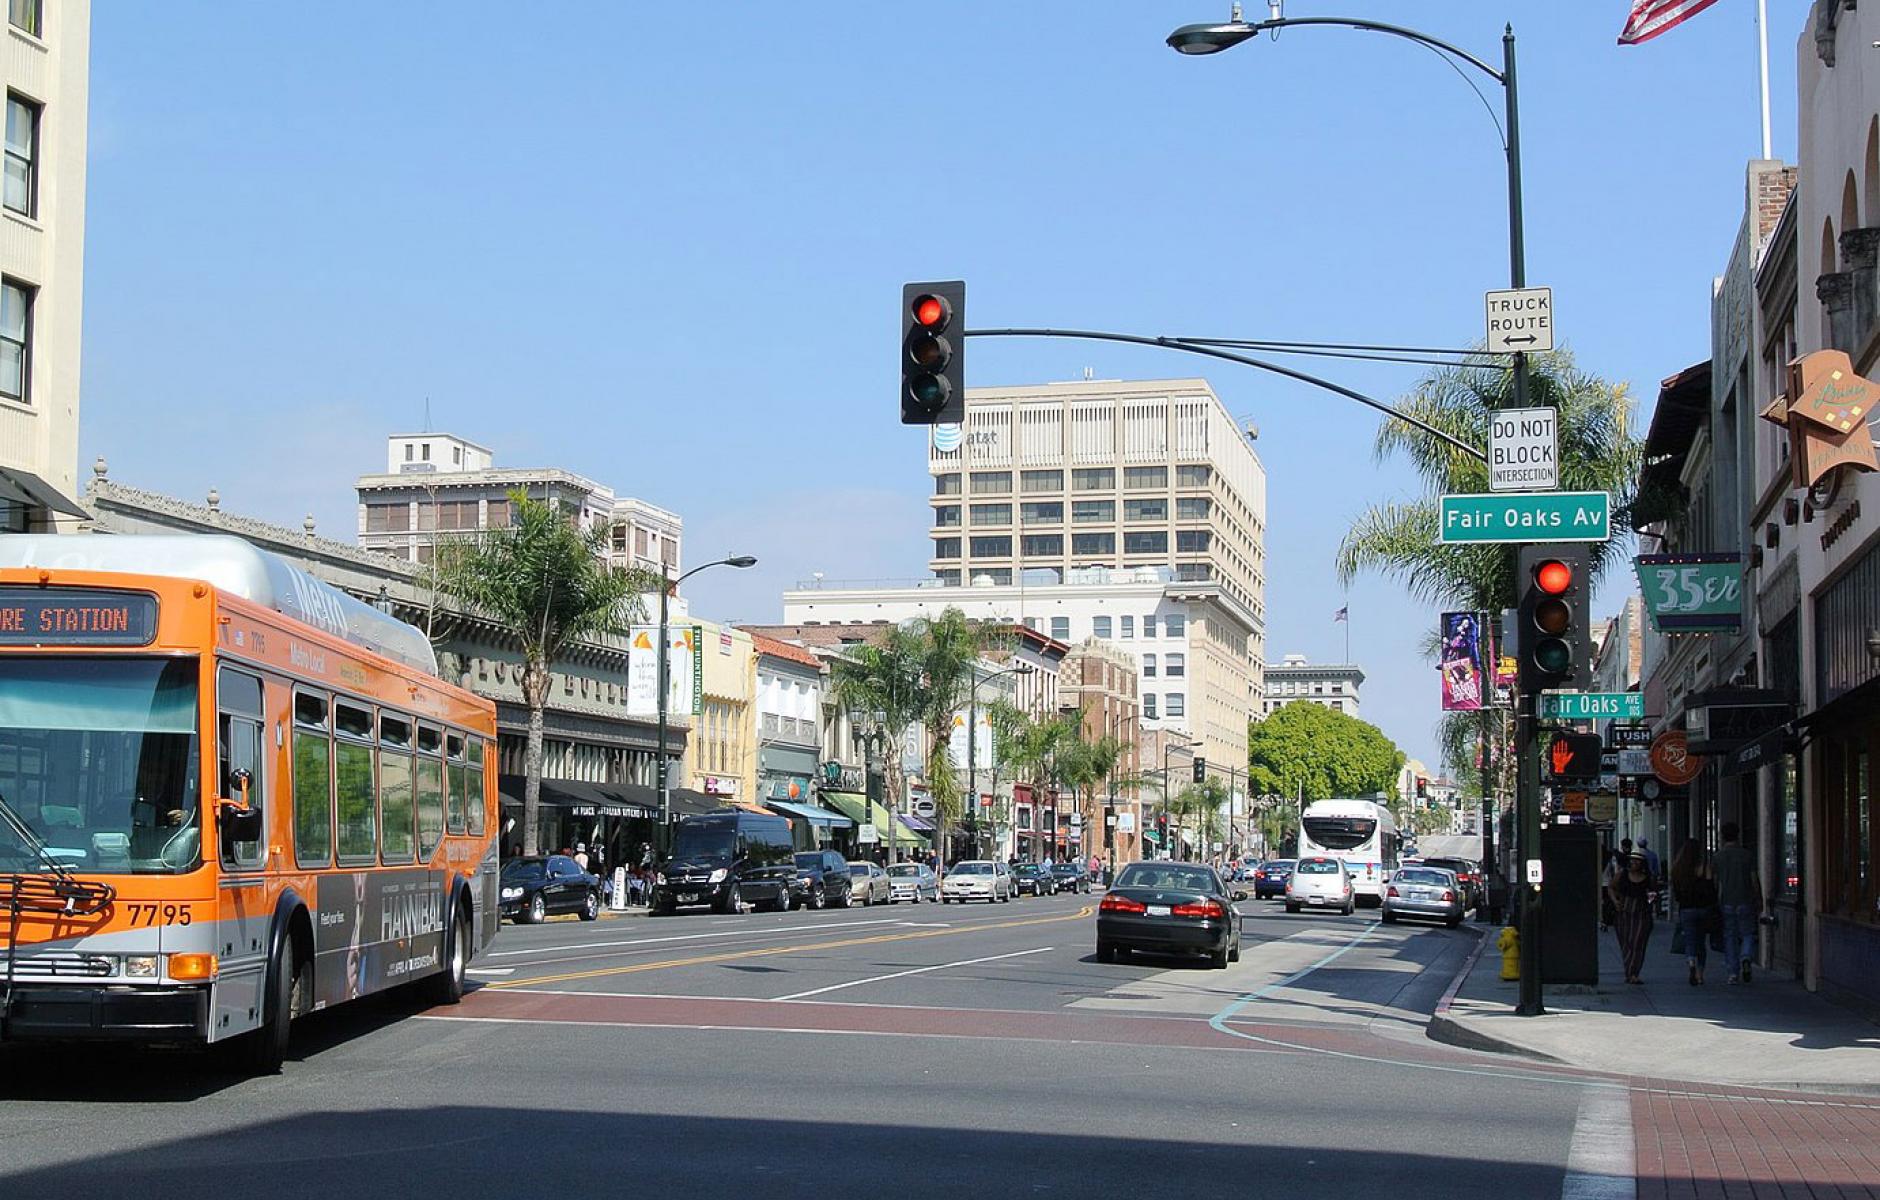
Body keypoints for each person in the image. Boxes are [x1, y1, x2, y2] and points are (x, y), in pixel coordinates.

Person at [1713, 821, 1762, 984]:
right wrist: (1758, 898)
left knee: (1730, 937)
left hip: (1727, 901)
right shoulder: (1747, 855)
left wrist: (1716, 902)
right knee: (1747, 933)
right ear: (1738, 835)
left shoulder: (1718, 857)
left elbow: (1716, 883)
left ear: (1722, 837)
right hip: (1745, 900)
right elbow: (1754, 880)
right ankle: (1746, 956)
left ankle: (1733, 973)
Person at [1669, 841, 1718, 986]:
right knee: (1701, 942)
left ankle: (1691, 962)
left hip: (1686, 909)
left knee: (1689, 939)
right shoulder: (1703, 868)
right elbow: (1711, 889)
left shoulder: (1678, 869)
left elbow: (1677, 894)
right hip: (1703, 909)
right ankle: (1700, 975)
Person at [1607, 853, 1654, 985]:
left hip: (1641, 913)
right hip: (1624, 913)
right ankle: (1629, 970)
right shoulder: (1622, 875)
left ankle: (1633, 973)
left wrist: (1649, 902)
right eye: (1632, 860)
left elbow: (1652, 893)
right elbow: (1611, 887)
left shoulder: (1647, 878)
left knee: (1638, 943)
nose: (1634, 863)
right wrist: (1615, 901)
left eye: (1638, 861)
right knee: (1626, 943)